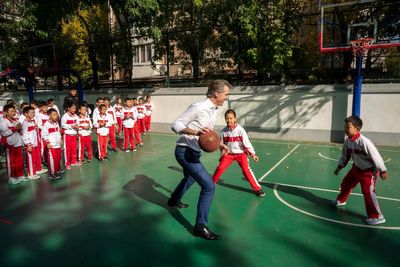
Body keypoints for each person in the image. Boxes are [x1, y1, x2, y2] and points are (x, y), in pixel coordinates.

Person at [168, 79, 231, 240]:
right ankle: (200, 227)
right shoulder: (199, 107)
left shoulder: (214, 109)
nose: (227, 97)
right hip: (185, 151)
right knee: (209, 186)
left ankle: (173, 200)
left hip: (193, 152)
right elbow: (176, 125)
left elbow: (208, 135)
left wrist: (220, 145)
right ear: (216, 94)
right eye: (226, 94)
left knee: (189, 178)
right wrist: (196, 133)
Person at [332, 116, 388, 225]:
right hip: (356, 168)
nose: (345, 129)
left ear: (357, 129)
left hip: (368, 172)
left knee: (368, 192)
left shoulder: (364, 142)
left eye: (347, 127)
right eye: (344, 126)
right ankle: (341, 200)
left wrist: (383, 170)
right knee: (346, 183)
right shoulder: (348, 141)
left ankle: (377, 216)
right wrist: (340, 166)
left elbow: (376, 157)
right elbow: (345, 155)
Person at [212, 109, 265, 197]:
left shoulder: (240, 129)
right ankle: (210, 185)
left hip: (241, 154)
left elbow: (246, 143)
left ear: (235, 119)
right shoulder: (223, 132)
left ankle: (257, 189)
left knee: (246, 170)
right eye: (227, 118)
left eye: (231, 118)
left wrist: (253, 154)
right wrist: (222, 155)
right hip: (229, 154)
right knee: (220, 168)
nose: (229, 120)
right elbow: (222, 145)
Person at [0, 104, 26, 184]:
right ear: (6, 112)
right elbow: (4, 133)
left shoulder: (15, 120)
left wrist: (19, 128)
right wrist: (15, 128)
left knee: (19, 160)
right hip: (10, 144)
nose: (13, 113)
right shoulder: (3, 122)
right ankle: (11, 177)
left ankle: (20, 175)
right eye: (11, 111)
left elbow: (20, 129)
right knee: (11, 161)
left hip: (17, 143)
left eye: (14, 111)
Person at [42, 108, 63, 180]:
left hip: (57, 144)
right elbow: (44, 135)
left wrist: (60, 139)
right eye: (54, 115)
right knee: (52, 159)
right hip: (51, 145)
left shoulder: (56, 123)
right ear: (49, 116)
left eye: (56, 115)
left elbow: (58, 132)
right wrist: (47, 142)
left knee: (58, 158)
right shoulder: (46, 124)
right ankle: (52, 173)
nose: (56, 116)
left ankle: (56, 170)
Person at [21, 106, 41, 179]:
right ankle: (31, 174)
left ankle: (34, 171)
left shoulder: (32, 122)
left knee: (34, 158)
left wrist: (36, 128)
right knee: (30, 159)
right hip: (30, 144)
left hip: (34, 143)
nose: (33, 114)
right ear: (26, 114)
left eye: (34, 113)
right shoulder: (25, 123)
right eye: (31, 113)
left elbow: (34, 133)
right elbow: (24, 135)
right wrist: (28, 144)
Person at [61, 102, 80, 170]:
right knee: (67, 150)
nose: (74, 110)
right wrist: (72, 126)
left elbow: (78, 123)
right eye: (73, 108)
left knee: (74, 149)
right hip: (67, 135)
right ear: (68, 108)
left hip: (74, 135)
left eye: (75, 108)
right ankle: (67, 163)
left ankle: (73, 161)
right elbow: (63, 125)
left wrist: (77, 126)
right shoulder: (65, 116)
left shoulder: (75, 116)